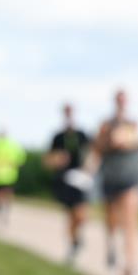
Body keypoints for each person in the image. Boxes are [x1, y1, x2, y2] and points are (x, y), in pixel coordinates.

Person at [92, 90, 138, 275]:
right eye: (119, 100)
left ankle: (130, 264)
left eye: (124, 100)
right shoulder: (105, 125)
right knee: (111, 221)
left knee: (130, 223)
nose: (122, 103)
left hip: (130, 179)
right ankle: (111, 246)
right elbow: (96, 148)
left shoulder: (133, 125)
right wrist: (110, 142)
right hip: (110, 179)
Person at [45, 103, 91, 266]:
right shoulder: (57, 137)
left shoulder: (82, 135)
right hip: (64, 180)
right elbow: (48, 161)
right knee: (70, 214)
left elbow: (93, 154)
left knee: (81, 215)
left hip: (80, 179)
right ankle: (73, 244)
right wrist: (58, 160)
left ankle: (75, 238)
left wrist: (89, 167)